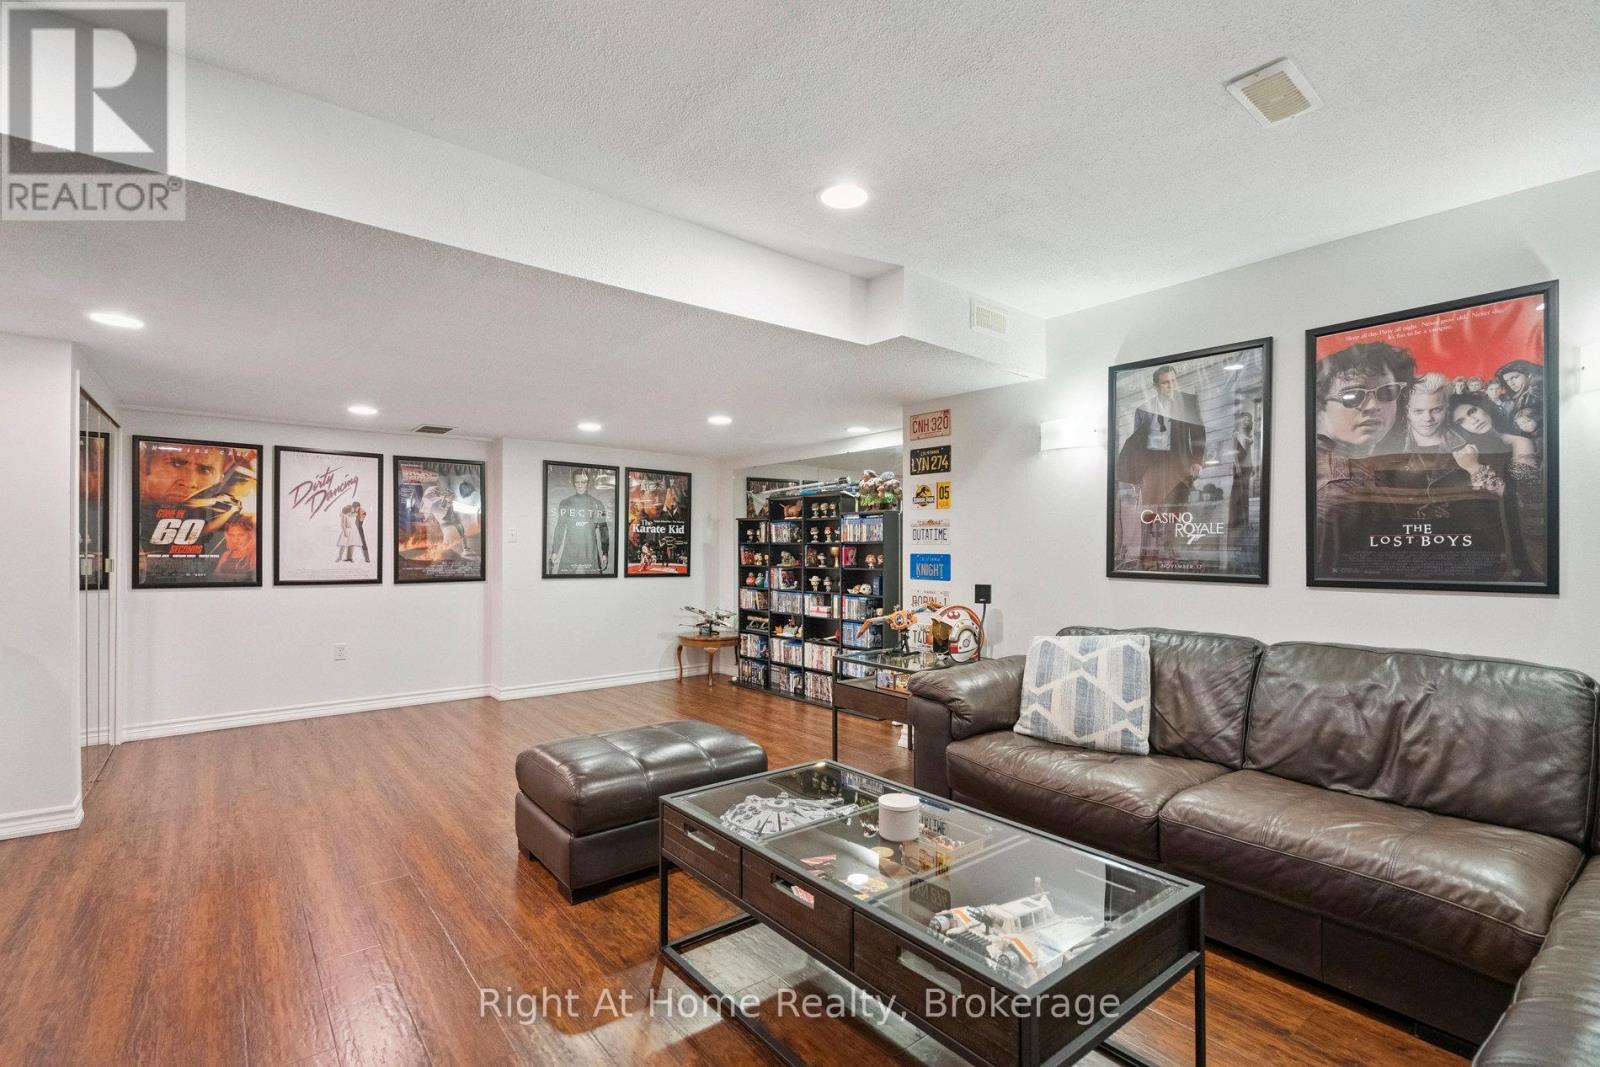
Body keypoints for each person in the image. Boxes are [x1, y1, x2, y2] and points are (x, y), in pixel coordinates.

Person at [1312, 343, 1412, 578]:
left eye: (1387, 392)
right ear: (1319, 406)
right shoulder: (1341, 483)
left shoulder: (1369, 465)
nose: (1373, 406)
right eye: (1352, 395)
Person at [1114, 365, 1206, 568]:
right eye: (1165, 382)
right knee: (1149, 514)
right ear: (1156, 386)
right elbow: (1137, 445)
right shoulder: (1143, 410)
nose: (1170, 386)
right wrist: (1135, 476)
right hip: (1152, 470)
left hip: (1179, 466)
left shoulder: (1189, 403)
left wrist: (1197, 461)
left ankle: (1170, 556)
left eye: (1173, 381)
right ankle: (1147, 557)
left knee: (1174, 513)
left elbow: (1198, 433)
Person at [548, 468, 611, 574]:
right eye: (577, 482)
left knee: (595, 584)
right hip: (570, 551)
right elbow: (560, 527)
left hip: (590, 551)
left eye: (583, 482)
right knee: (563, 583)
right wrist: (555, 551)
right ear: (574, 483)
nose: (580, 485)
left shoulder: (597, 504)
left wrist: (605, 552)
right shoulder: (566, 503)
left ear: (588, 483)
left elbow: (603, 530)